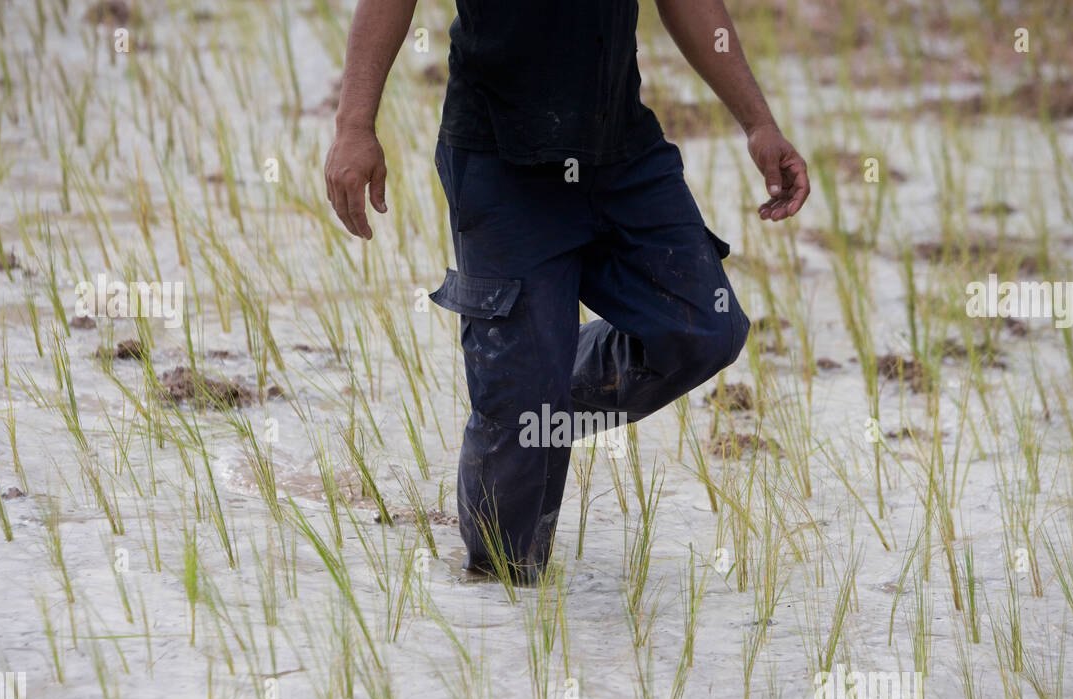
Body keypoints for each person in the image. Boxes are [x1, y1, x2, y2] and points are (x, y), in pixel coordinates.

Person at [325, 0, 809, 583]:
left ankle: (537, 384)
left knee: (705, 327)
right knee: (508, 566)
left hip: (621, 151)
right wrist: (354, 125)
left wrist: (758, 123)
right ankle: (525, 400)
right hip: (501, 160)